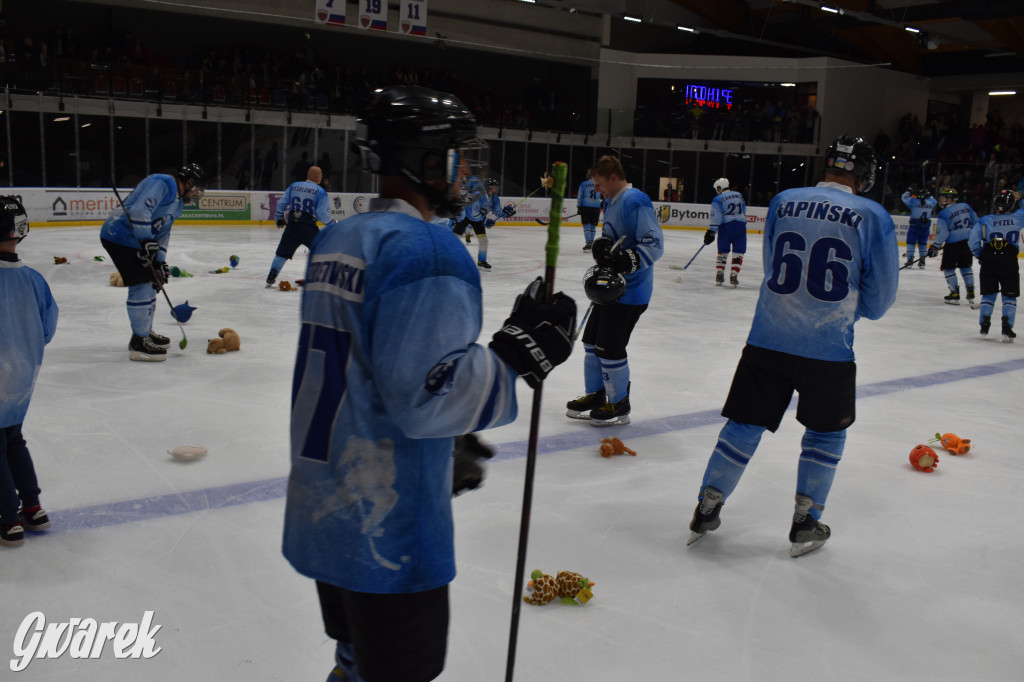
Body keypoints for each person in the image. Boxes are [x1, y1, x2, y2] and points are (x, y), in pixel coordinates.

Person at [281, 85, 576, 682]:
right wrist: (517, 357)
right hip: (384, 530)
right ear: (426, 159)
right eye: (457, 155)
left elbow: (373, 372)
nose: (465, 169)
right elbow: (428, 395)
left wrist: (445, 443)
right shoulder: (428, 251)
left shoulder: (341, 237)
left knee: (356, 662)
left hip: (325, 504)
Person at [686, 135, 899, 558]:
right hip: (829, 347)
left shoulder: (784, 200)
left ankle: (707, 507)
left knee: (744, 423)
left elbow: (770, 263)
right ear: (866, 173)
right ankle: (805, 521)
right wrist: (852, 309)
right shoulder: (872, 214)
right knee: (825, 433)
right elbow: (879, 299)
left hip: (768, 337)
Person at [565, 155, 663, 426]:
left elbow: (654, 244)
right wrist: (603, 246)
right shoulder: (611, 201)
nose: (595, 189)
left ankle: (619, 401)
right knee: (591, 341)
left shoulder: (635, 200)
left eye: (598, 184)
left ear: (612, 177)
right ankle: (597, 395)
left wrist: (626, 261)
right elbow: (614, 236)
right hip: (610, 289)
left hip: (631, 292)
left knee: (609, 347)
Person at [100, 163, 206, 361]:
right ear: (190, 183)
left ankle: (144, 333)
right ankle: (139, 341)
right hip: (119, 237)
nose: (198, 194)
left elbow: (163, 234)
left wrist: (159, 262)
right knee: (140, 284)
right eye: (198, 188)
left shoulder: (179, 204)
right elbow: (140, 211)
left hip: (137, 242)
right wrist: (146, 240)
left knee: (152, 281)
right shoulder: (164, 182)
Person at [0, 196, 58, 547]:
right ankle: (33, 507)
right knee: (13, 439)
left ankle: (8, 518)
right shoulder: (34, 279)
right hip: (21, 381)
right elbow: (46, 329)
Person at [265, 165, 334, 287]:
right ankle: (320, 275)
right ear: (317, 176)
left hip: (292, 225)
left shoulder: (294, 186)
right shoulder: (321, 192)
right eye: (321, 174)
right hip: (308, 227)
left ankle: (272, 275)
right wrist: (332, 224)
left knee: (282, 253)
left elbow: (282, 203)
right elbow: (322, 214)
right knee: (321, 249)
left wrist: (279, 217)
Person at [968, 188, 1021, 341]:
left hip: (989, 259)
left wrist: (980, 255)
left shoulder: (985, 219)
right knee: (1009, 295)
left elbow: (973, 240)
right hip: (1009, 260)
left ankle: (984, 324)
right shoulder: (1019, 216)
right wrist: (1020, 196)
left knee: (988, 294)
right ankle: (1007, 326)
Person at [928, 187, 979, 305]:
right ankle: (970, 290)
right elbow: (976, 221)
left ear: (950, 198)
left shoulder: (943, 213)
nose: (941, 200)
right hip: (967, 242)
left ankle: (954, 293)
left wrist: (935, 247)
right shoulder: (966, 206)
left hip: (952, 245)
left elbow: (942, 233)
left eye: (943, 197)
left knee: (948, 267)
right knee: (966, 266)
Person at [452, 177, 513, 269]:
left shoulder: (495, 199)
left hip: (478, 220)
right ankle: (449, 258)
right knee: (454, 238)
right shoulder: (478, 195)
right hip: (466, 217)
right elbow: (474, 212)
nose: (496, 189)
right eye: (494, 186)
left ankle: (482, 261)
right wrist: (485, 220)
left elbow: (498, 212)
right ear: (488, 187)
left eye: (496, 187)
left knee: (484, 241)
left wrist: (506, 212)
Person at [705, 177, 748, 287]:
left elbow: (717, 218)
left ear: (720, 187)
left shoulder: (717, 199)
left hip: (725, 227)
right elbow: (743, 210)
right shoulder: (739, 195)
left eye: (717, 188)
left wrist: (712, 231)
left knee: (723, 251)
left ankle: (720, 272)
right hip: (740, 226)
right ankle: (734, 274)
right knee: (739, 252)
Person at [900, 184, 936, 268]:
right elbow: (934, 200)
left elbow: (904, 197)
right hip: (925, 227)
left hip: (914, 226)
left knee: (911, 242)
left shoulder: (913, 201)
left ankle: (910, 259)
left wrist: (909, 191)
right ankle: (922, 260)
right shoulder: (930, 203)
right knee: (923, 244)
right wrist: (929, 194)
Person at [577, 171, 603, 252]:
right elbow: (605, 194)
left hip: (586, 207)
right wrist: (602, 203)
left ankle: (588, 243)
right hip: (596, 208)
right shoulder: (600, 184)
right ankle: (591, 243)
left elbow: (579, 196)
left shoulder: (583, 184)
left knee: (586, 226)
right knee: (593, 226)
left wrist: (579, 206)